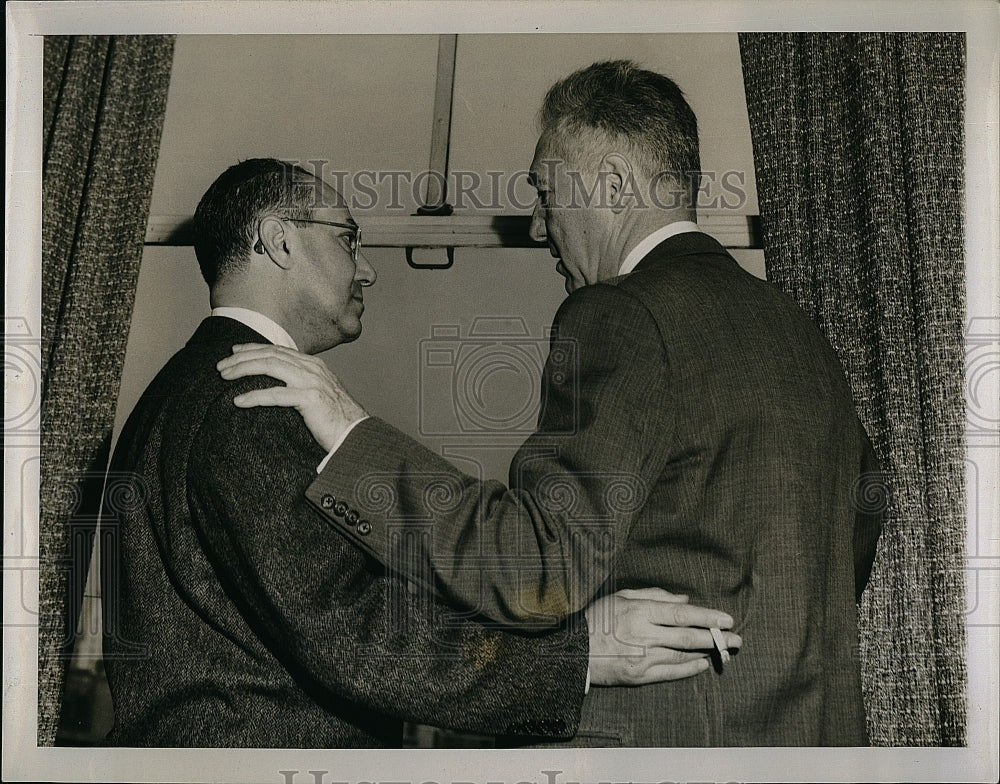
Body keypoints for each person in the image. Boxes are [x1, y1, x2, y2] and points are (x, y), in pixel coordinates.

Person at [220, 61, 884, 747]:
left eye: (546, 194)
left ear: (615, 186)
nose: (539, 227)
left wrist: (350, 432)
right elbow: (861, 515)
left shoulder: (620, 316)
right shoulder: (797, 330)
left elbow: (540, 569)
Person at [101, 156, 740, 748]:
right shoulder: (248, 400)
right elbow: (347, 631)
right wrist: (580, 653)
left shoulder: (193, 387)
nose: (368, 268)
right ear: (278, 239)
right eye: (348, 238)